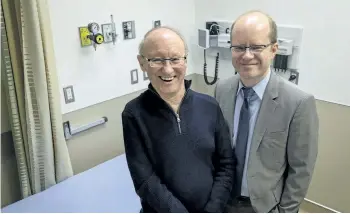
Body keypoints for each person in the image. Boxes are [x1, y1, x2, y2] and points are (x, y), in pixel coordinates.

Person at [214, 11, 319, 213]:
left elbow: (301, 170)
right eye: (238, 47)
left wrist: (285, 211)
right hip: (221, 201)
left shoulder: (298, 103)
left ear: (274, 49)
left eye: (256, 47)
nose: (246, 55)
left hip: (264, 207)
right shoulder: (221, 90)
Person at [121, 26, 235, 213]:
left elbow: (226, 164)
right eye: (156, 60)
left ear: (185, 61)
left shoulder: (210, 106)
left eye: (175, 59)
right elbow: (145, 180)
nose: (167, 69)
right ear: (142, 63)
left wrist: (213, 209)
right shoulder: (134, 114)